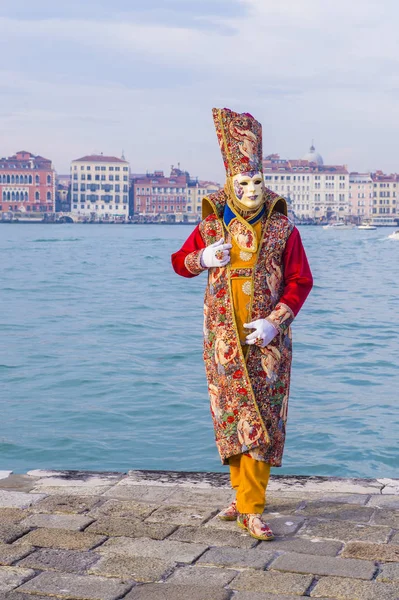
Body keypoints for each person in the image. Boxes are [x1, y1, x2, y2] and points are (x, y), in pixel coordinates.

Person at [171, 108, 313, 541]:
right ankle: (239, 495)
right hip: (222, 339)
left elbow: (300, 281)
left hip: (267, 341)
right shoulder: (211, 223)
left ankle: (252, 506)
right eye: (242, 183)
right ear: (230, 184)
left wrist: (275, 322)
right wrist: (202, 258)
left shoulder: (283, 228)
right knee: (232, 417)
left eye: (257, 181)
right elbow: (180, 263)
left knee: (263, 420)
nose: (251, 190)